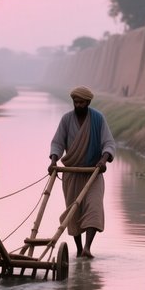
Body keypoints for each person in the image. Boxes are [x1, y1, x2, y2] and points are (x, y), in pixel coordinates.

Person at [48, 86, 116, 258]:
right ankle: (78, 249)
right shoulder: (66, 120)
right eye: (75, 102)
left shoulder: (98, 119)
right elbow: (57, 143)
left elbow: (108, 143)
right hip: (72, 173)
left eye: (81, 102)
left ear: (88, 103)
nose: (78, 105)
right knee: (74, 212)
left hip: (93, 173)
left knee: (93, 207)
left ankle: (87, 247)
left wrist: (103, 159)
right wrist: (54, 160)